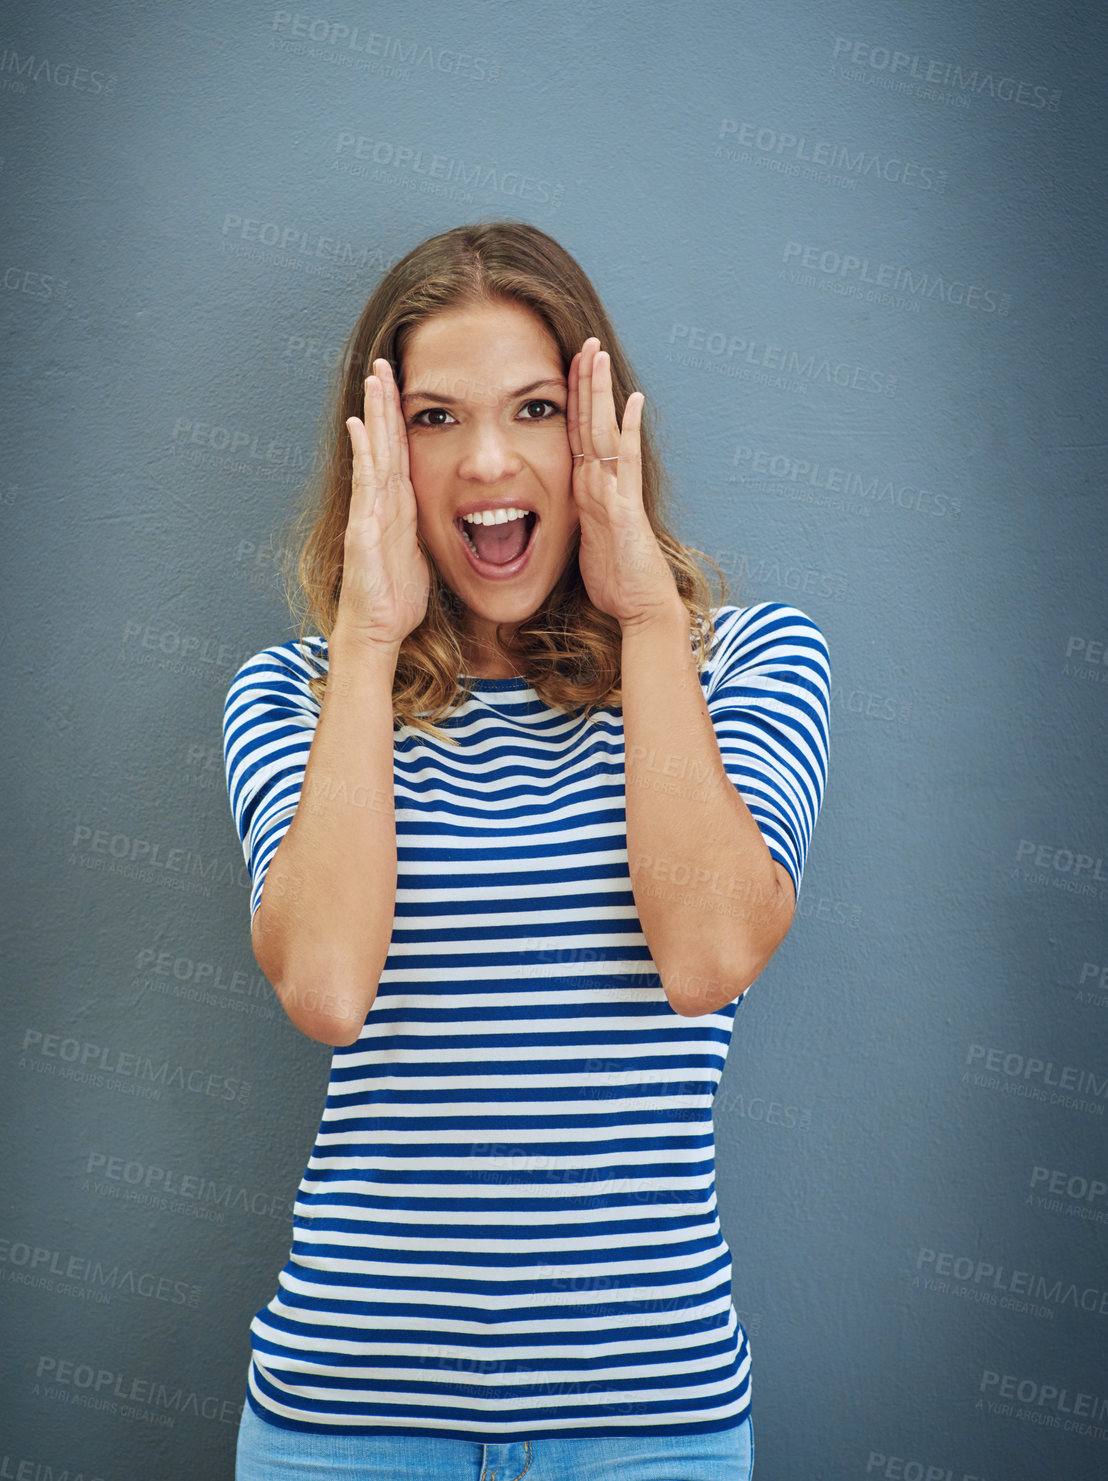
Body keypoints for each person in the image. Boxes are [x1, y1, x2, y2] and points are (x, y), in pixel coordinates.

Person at [222, 221, 830, 1481]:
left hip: (651, 1428)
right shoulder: (298, 693)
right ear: (379, 453)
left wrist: (650, 618)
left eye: (536, 408)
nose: (487, 459)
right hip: (346, 1423)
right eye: (435, 420)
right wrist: (370, 638)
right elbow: (327, 990)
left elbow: (711, 956)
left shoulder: (750, 663)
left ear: (600, 430)